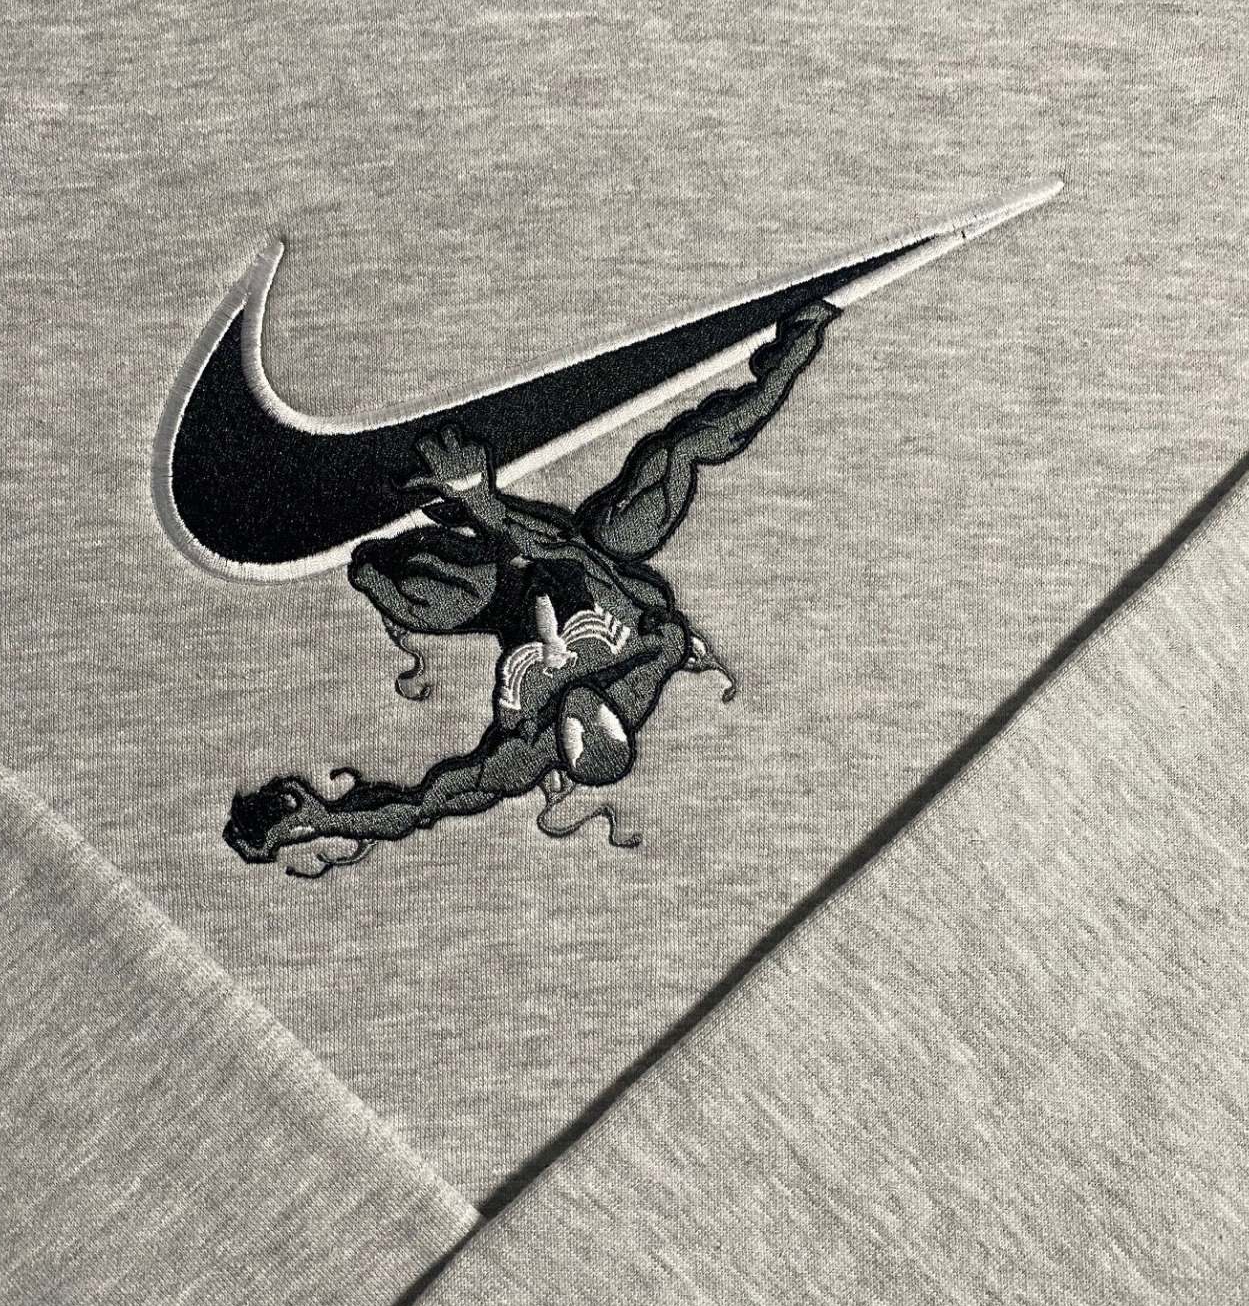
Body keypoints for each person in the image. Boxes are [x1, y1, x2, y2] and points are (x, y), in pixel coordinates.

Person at [224, 300, 840, 876]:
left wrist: (322, 820)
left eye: (572, 725)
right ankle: (788, 360)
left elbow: (425, 806)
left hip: (506, 599)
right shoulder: (646, 656)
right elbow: (571, 554)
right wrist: (484, 502)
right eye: (597, 711)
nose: (579, 707)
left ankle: (434, 520)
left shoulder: (524, 753)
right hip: (594, 559)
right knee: (665, 473)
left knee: (380, 575)